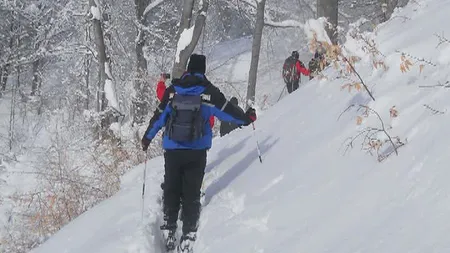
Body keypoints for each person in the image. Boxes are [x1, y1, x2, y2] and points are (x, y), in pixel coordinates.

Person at [141, 54, 256, 252]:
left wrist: (147, 138)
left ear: (188, 69)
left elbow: (158, 117)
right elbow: (228, 112)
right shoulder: (209, 93)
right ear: (202, 70)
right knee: (191, 193)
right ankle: (188, 234)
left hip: (173, 149)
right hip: (196, 151)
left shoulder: (173, 91)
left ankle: (169, 228)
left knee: (171, 187)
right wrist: (247, 119)